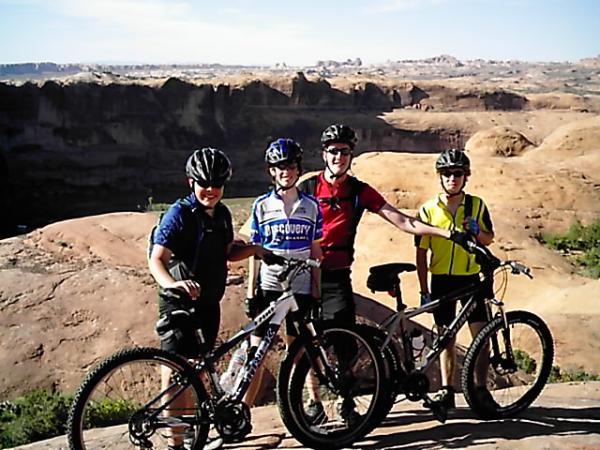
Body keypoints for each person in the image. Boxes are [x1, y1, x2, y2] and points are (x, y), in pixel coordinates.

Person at [298, 123, 466, 419]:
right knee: (306, 340)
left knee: (345, 340)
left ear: (352, 155)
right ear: (324, 154)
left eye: (345, 152)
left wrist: (445, 232)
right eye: (334, 151)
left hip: (336, 275)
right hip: (305, 272)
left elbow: (403, 222)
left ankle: (345, 398)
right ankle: (313, 401)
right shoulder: (308, 188)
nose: (339, 157)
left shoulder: (359, 191)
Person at [148, 147, 270, 450]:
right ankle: (176, 442)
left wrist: (256, 249)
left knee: (200, 368)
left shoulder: (223, 214)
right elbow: (156, 260)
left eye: (218, 184)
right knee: (176, 371)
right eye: (205, 183)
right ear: (191, 181)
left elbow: (229, 252)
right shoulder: (179, 214)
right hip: (179, 302)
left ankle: (190, 430)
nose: (211, 190)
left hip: (208, 303)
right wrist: (174, 285)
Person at [244, 138, 323, 413]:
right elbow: (255, 250)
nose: (285, 172)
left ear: (298, 169)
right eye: (279, 167)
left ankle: (312, 404)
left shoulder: (312, 206)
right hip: (269, 285)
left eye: (290, 166)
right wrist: (250, 292)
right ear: (271, 171)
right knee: (256, 352)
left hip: (299, 286)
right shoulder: (261, 206)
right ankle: (242, 409)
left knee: (300, 349)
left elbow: (316, 250)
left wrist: (316, 288)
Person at [415, 148, 495, 411]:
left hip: (471, 279)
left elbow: (489, 238)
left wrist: (477, 231)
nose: (452, 178)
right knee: (445, 339)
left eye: (457, 173)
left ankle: (480, 390)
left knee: (481, 336)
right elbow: (421, 252)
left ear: (466, 176)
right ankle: (447, 391)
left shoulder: (476, 204)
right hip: (441, 280)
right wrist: (424, 289)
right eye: (447, 173)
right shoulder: (427, 210)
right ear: (440, 176)